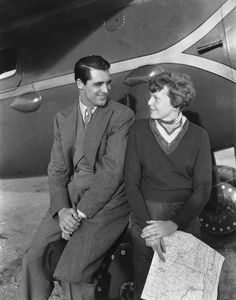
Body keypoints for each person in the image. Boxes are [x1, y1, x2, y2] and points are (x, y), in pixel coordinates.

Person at [19, 55, 135, 300]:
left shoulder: (121, 116)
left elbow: (113, 171)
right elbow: (57, 168)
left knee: (74, 271)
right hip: (69, 201)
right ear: (80, 84)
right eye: (98, 84)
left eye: (109, 83)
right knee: (33, 258)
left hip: (108, 201)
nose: (106, 90)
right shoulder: (62, 118)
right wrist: (62, 210)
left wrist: (79, 214)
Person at [124, 71, 212, 299]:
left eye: (156, 98)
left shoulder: (199, 136)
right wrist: (149, 231)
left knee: (187, 291)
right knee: (147, 291)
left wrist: (174, 224)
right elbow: (131, 184)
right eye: (150, 95)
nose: (148, 102)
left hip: (184, 219)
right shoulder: (138, 131)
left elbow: (202, 188)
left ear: (176, 102)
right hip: (146, 220)